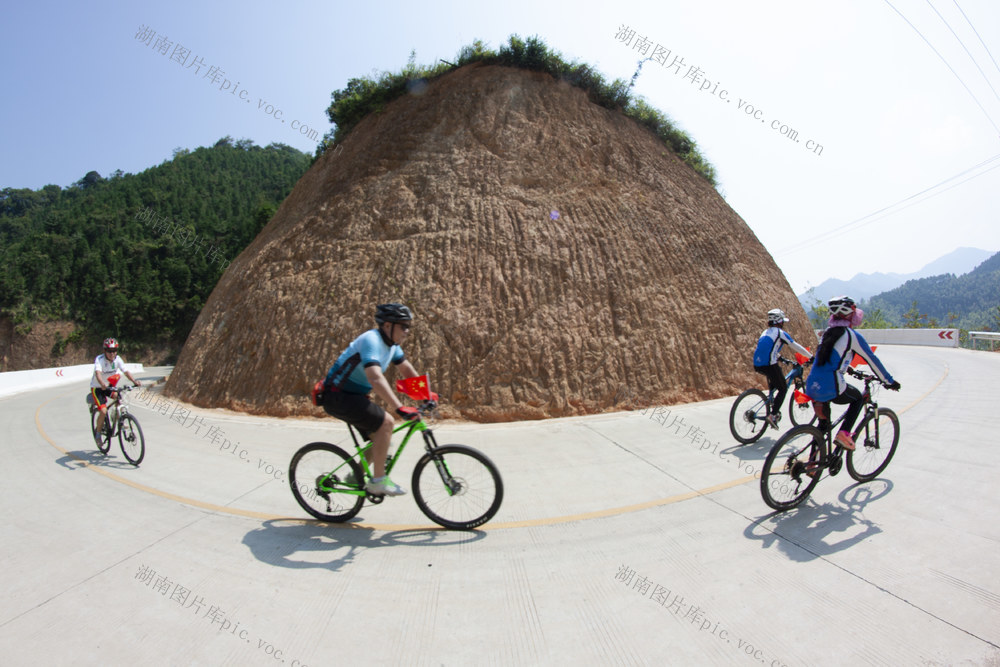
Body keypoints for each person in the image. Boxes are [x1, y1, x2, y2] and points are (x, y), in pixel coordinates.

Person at [319, 303, 429, 496]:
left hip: (354, 397)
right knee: (387, 423)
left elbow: (407, 371)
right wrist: (399, 407)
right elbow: (375, 378)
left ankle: (356, 477)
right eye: (403, 326)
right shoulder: (371, 340)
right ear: (387, 325)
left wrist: (426, 396)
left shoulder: (392, 347)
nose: (406, 331)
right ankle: (378, 481)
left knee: (382, 441)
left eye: (408, 326)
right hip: (337, 396)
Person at [805, 296, 900, 450]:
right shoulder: (851, 335)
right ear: (850, 314)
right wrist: (889, 381)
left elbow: (828, 357)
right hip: (831, 385)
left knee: (823, 427)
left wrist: (846, 368)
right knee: (857, 399)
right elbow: (872, 360)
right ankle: (844, 434)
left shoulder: (828, 333)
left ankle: (811, 465)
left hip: (812, 385)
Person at [753, 308, 813, 429]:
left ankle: (771, 404)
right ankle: (773, 415)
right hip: (769, 365)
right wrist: (811, 357)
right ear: (779, 321)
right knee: (783, 389)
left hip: (757, 364)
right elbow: (795, 346)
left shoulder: (765, 332)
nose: (783, 324)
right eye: (782, 321)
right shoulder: (780, 333)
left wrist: (781, 358)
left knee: (775, 386)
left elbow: (767, 349)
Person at [91, 338, 141, 445]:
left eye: (114, 350)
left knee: (119, 397)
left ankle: (118, 418)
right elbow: (98, 373)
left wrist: (134, 381)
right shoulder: (99, 359)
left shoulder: (117, 359)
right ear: (105, 351)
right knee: (103, 411)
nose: (112, 353)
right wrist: (101, 383)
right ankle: (98, 434)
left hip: (108, 386)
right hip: (97, 388)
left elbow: (125, 371)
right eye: (109, 351)